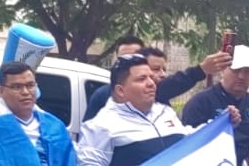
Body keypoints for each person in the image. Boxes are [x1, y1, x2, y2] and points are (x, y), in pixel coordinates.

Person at [75, 54, 192, 166]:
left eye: (151, 77)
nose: (151, 83)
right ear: (120, 91)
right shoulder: (100, 125)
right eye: (141, 79)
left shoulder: (166, 112)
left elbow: (193, 141)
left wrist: (226, 118)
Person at [82, 37, 228, 121]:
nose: (161, 76)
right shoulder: (104, 100)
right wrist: (200, 70)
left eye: (163, 69)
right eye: (156, 69)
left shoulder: (163, 106)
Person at [182, 44, 249, 166]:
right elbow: (188, 143)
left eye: (248, 71)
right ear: (222, 71)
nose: (241, 76)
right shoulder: (200, 102)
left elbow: (248, 141)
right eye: (236, 70)